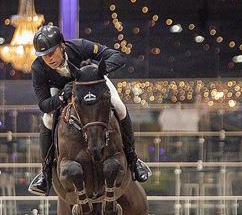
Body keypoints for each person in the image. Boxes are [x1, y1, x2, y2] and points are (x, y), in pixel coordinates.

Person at [28, 25, 151, 196]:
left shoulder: (79, 46)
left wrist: (93, 74)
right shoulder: (38, 68)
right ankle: (45, 172)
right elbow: (43, 104)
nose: (48, 59)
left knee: (119, 106)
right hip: (63, 90)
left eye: (51, 53)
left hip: (92, 84)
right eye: (43, 55)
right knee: (47, 120)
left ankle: (133, 159)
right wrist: (63, 96)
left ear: (62, 45)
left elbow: (117, 56)